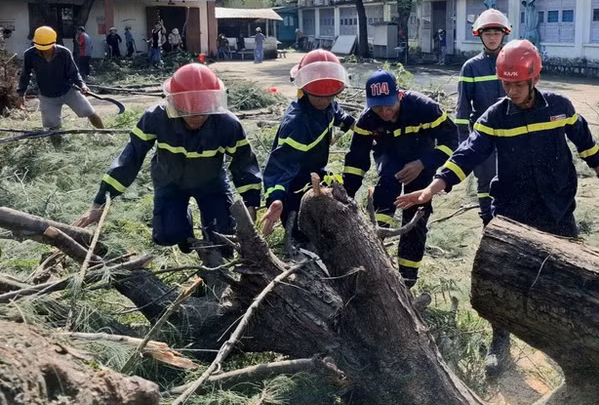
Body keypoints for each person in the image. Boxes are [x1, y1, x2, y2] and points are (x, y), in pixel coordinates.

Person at [396, 39, 599, 374]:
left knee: (570, 274)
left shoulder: (559, 107)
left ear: (534, 79)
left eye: (517, 84)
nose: (511, 90)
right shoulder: (496, 117)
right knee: (501, 279)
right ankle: (500, 341)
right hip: (513, 212)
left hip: (557, 206)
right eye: (506, 84)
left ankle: (571, 347)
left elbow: (583, 138)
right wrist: (433, 187)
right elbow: (467, 153)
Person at [75, 64, 262, 252]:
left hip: (211, 183)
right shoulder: (155, 118)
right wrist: (99, 202)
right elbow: (129, 159)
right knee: (167, 236)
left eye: (202, 109)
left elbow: (244, 164)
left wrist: (251, 203)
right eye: (189, 110)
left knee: (224, 242)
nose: (196, 116)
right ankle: (181, 219)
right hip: (170, 181)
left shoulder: (228, 124)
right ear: (174, 102)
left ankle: (211, 231)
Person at [344, 70, 458, 288]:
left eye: (389, 105)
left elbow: (452, 141)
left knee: (417, 216)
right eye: (378, 107)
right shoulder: (367, 120)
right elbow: (356, 162)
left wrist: (423, 163)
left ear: (399, 95)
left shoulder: (424, 108)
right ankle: (373, 257)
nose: (385, 112)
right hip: (389, 161)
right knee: (385, 192)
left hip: (422, 160)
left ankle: (407, 279)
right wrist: (345, 194)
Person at [260, 50, 354, 246]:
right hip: (293, 184)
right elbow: (280, 166)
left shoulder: (327, 103)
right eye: (321, 97)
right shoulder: (297, 124)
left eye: (331, 96)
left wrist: (349, 123)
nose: (327, 101)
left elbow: (336, 112)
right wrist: (276, 199)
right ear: (304, 89)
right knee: (300, 233)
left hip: (317, 173)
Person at [456, 9, 511, 225]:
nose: (492, 37)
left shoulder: (512, 60)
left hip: (512, 131)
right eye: (487, 33)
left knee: (512, 176)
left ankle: (508, 221)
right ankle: (488, 221)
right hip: (484, 134)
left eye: (496, 33)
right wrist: (463, 144)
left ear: (503, 34)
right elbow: (461, 109)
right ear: (479, 35)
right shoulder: (471, 67)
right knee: (485, 180)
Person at [16, 26, 105, 143]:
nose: (41, 50)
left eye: (45, 47)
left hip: (68, 91)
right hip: (47, 95)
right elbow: (25, 75)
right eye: (39, 46)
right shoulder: (30, 54)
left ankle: (106, 135)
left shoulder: (64, 53)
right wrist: (21, 94)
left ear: (53, 42)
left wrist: (82, 85)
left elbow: (74, 73)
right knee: (53, 128)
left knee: (90, 113)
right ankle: (58, 151)